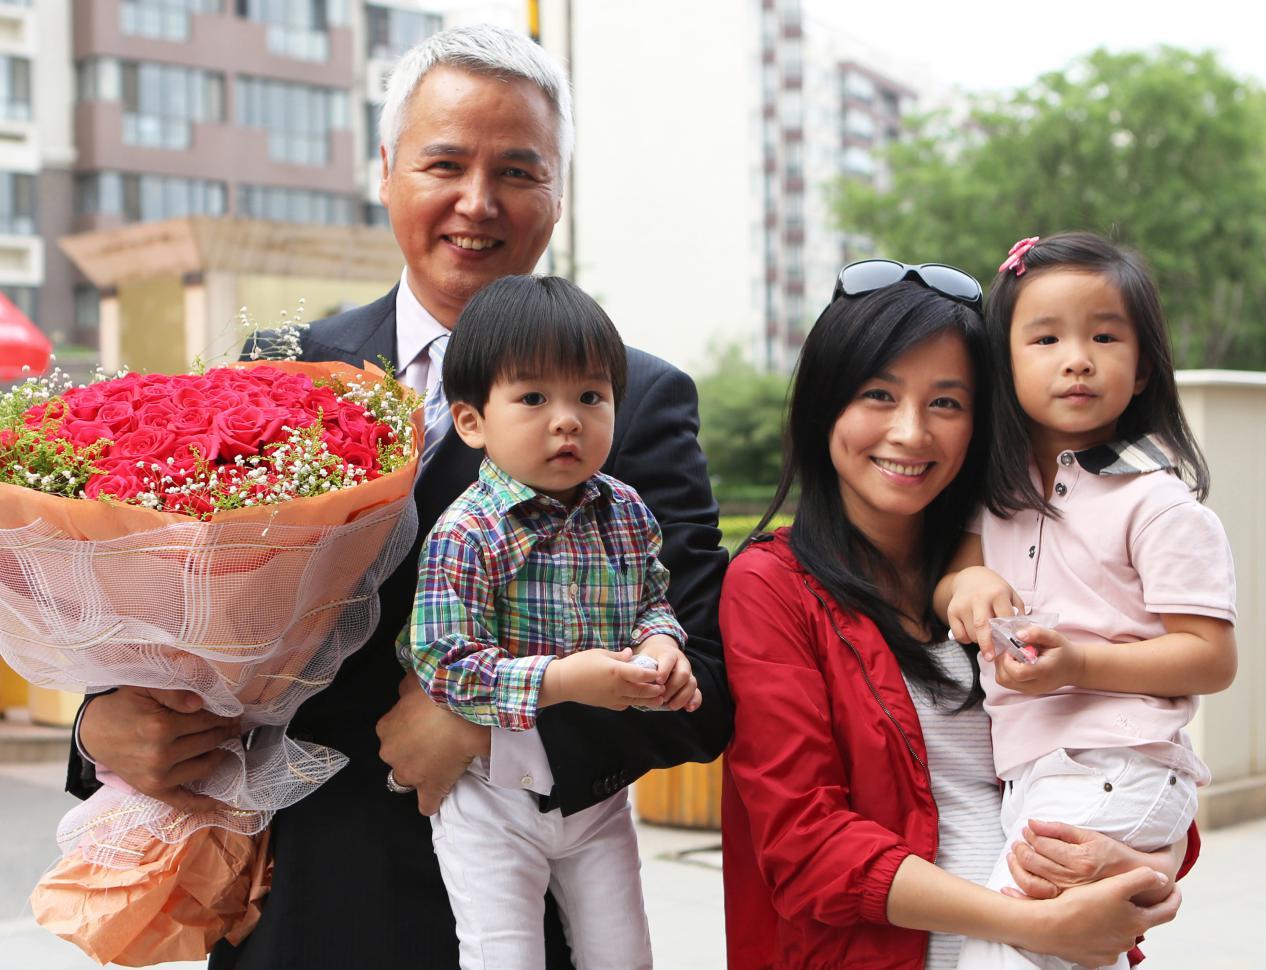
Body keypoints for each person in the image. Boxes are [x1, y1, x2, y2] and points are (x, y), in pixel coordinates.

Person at [66, 25, 732, 969]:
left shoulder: (636, 400)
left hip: (519, 909)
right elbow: (174, 601)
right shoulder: (287, 370)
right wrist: (104, 724)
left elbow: (704, 678)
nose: (477, 201)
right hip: (295, 904)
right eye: (445, 162)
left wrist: (478, 719)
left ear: (556, 192)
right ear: (387, 171)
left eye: (518, 171)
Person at [720, 261, 1190, 970]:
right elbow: (806, 845)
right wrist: (1031, 924)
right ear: (824, 407)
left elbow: (1129, 756)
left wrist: (1145, 858)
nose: (910, 433)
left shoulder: (1025, 563)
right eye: (878, 395)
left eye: (946, 403)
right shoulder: (772, 586)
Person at [934, 233, 1236, 969]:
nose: (1078, 358)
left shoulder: (1156, 503)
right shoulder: (998, 495)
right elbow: (955, 575)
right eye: (1046, 337)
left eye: (1105, 335)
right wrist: (967, 584)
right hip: (1039, 770)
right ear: (1003, 363)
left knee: (1003, 952)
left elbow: (1210, 658)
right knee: (1062, 954)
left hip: (1116, 762)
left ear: (1141, 371)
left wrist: (1077, 665)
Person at [401, 274, 701, 969]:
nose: (567, 419)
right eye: (533, 397)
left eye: (590, 397)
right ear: (471, 420)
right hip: (489, 799)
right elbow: (445, 664)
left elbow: (653, 595)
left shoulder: (624, 508)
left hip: (596, 797)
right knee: (502, 956)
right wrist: (564, 680)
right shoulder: (466, 532)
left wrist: (662, 641)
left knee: (625, 957)